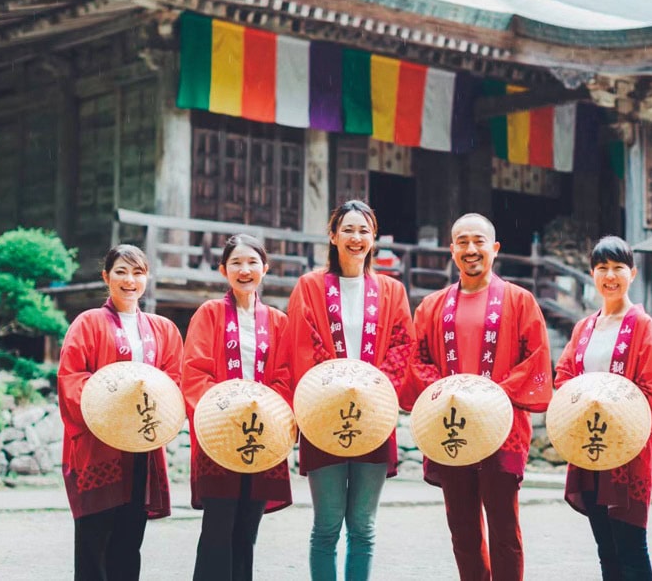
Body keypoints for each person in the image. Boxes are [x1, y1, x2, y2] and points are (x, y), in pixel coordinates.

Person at [405, 213, 552, 581]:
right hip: (450, 428)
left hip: (500, 429)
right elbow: (417, 360)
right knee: (462, 528)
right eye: (463, 242)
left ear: (495, 248)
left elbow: (535, 360)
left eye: (479, 242)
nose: (471, 250)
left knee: (504, 527)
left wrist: (486, 399)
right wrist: (450, 395)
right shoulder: (432, 307)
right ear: (452, 250)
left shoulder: (520, 301)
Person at [284, 200, 416, 581]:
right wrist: (336, 387)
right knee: (326, 527)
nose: (356, 238)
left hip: (374, 416)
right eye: (348, 230)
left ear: (374, 238)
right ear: (333, 235)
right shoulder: (310, 286)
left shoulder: (391, 290)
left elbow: (402, 345)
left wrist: (372, 389)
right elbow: (301, 342)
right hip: (324, 414)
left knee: (363, 527)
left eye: (364, 231)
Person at [57, 244, 183, 581]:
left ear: (147, 278)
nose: (130, 280)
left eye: (138, 272)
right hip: (98, 445)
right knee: (93, 541)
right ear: (106, 277)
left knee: (129, 540)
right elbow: (72, 378)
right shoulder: (88, 323)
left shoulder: (164, 329)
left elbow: (172, 383)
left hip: (141, 446)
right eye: (121, 272)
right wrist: (111, 411)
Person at [182, 234, 293, 580]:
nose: (245, 270)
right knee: (217, 529)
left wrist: (268, 414)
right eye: (236, 263)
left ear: (265, 268)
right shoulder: (210, 314)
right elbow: (195, 372)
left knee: (247, 531)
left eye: (252, 263)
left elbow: (285, 377)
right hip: (219, 433)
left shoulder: (278, 320)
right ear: (223, 270)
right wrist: (225, 414)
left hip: (262, 436)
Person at [554, 236, 652, 580]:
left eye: (618, 267)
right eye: (602, 268)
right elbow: (564, 375)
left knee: (631, 546)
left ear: (632, 273)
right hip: (590, 445)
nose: (610, 275)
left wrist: (613, 409)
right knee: (606, 548)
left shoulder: (643, 326)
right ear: (592, 274)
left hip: (627, 450)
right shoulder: (584, 328)